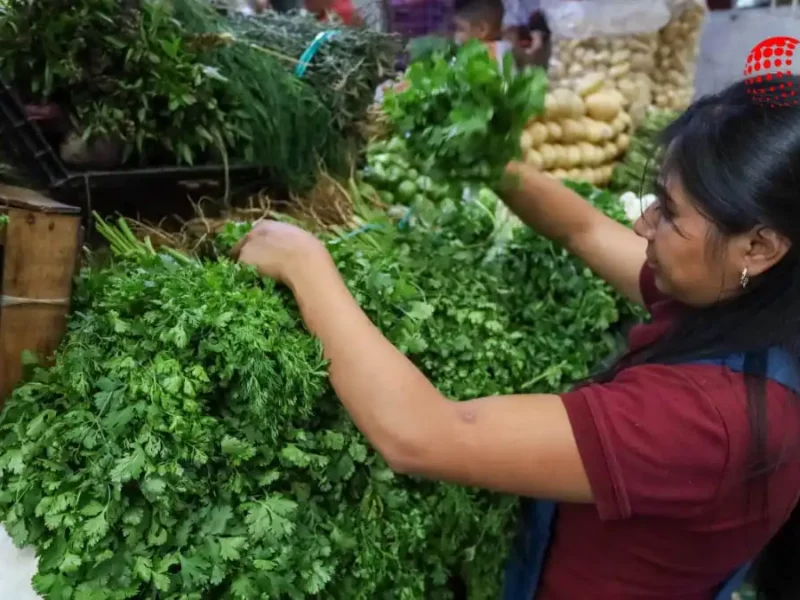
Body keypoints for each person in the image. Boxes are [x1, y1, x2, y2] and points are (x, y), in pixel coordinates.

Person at [233, 79, 800, 600]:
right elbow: (585, 229)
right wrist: (489, 159)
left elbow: (422, 436)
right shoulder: (751, 301)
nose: (642, 225)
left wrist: (306, 264)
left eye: (670, 214)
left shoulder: (709, 421)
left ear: (759, 247)